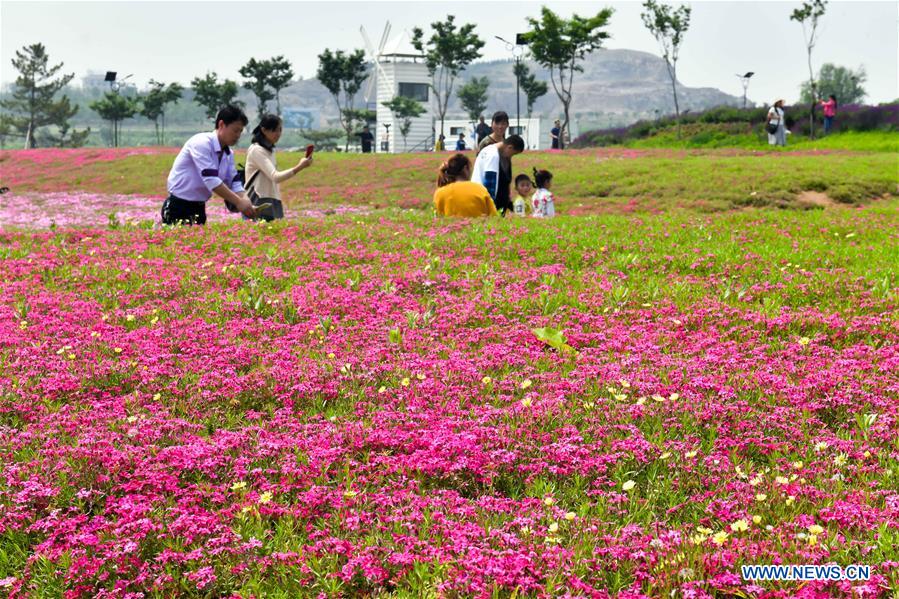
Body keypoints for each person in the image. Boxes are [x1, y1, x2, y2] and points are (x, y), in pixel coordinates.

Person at [163, 105, 259, 225]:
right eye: (235, 130)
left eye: (240, 131)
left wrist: (245, 200)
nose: (238, 135)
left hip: (199, 206)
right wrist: (239, 202)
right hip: (179, 205)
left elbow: (234, 181)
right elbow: (211, 179)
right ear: (221, 125)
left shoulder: (228, 154)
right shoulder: (201, 143)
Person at [244, 113, 313, 221]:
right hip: (259, 201)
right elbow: (275, 177)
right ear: (264, 130)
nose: (278, 133)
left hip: (272, 200)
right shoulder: (256, 150)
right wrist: (299, 167)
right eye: (274, 130)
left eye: (280, 130)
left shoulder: (269, 150)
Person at [472, 134, 525, 216]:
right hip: (486, 203)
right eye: (513, 154)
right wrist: (490, 209)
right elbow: (490, 184)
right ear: (509, 147)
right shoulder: (493, 155)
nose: (511, 156)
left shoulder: (490, 150)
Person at [433, 153, 497, 217]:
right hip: (479, 226)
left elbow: (437, 220)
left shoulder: (439, 193)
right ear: (465, 168)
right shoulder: (480, 189)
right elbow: (493, 217)